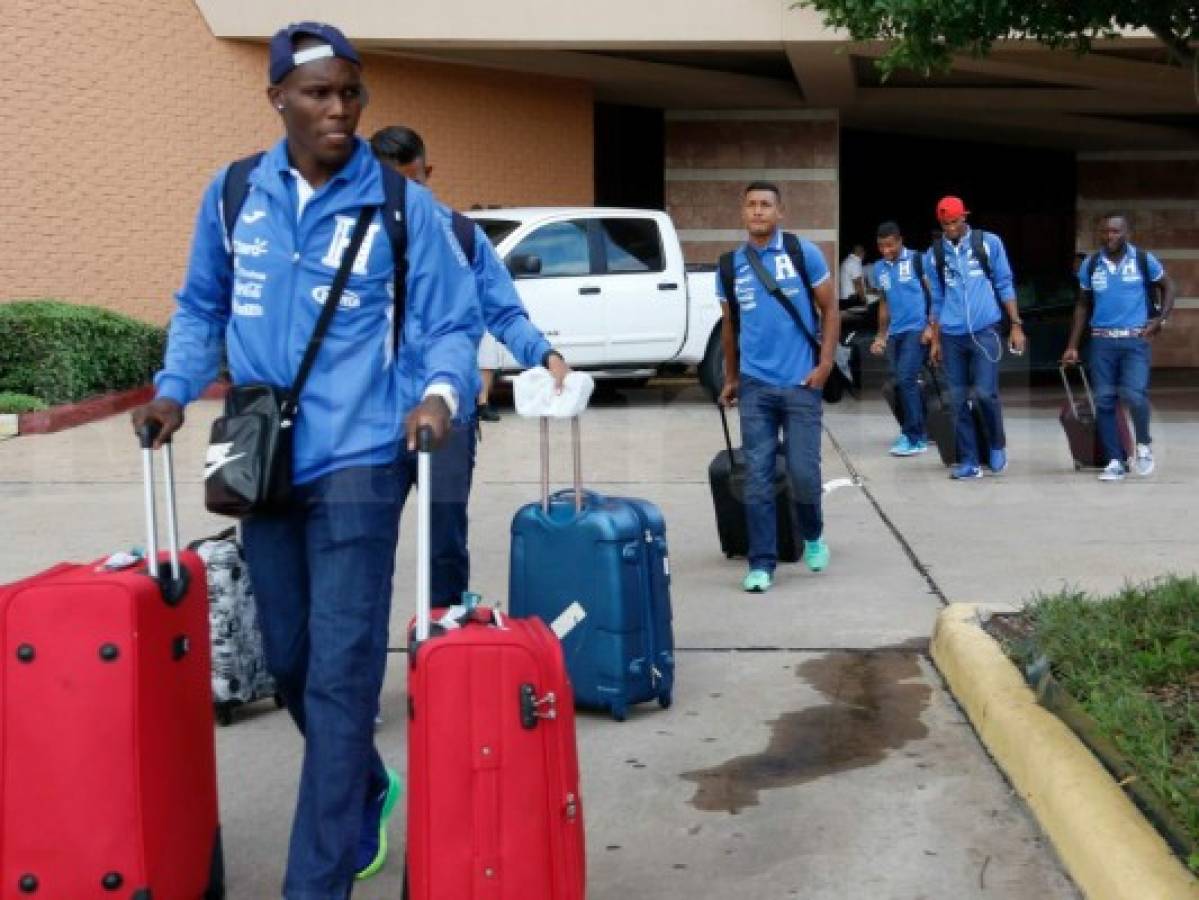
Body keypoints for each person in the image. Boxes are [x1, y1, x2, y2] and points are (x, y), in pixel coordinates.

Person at [131, 23, 482, 895]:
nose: (338, 109)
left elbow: (450, 323)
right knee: (286, 659)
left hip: (363, 458)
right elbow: (201, 303)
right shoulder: (233, 193)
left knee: (340, 676)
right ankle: (364, 783)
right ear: (278, 97)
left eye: (350, 93)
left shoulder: (403, 209)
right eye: (319, 92)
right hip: (257, 455)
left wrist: (439, 395)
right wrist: (175, 388)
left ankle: (315, 880)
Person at [370, 124, 571, 608]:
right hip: (371, 421)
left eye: (412, 181)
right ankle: (358, 669)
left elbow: (503, 311)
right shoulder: (351, 242)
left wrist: (543, 355)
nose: (403, 197)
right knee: (364, 549)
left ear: (428, 173)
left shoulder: (462, 236)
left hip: (448, 419)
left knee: (444, 545)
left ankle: (444, 650)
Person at [717, 181, 838, 594]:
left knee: (804, 473)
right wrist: (731, 378)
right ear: (743, 212)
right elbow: (730, 327)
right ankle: (762, 563)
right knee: (758, 477)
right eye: (750, 204)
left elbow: (830, 309)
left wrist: (824, 365)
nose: (757, 211)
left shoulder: (803, 253)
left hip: (802, 383)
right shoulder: (731, 265)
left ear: (780, 212)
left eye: (765, 205)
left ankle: (813, 534)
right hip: (755, 386)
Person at [1062, 213, 1175, 481]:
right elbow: (1082, 304)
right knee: (1104, 402)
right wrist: (1073, 345)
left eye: (1115, 232)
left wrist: (1160, 319)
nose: (1109, 236)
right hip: (1102, 341)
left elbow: (1168, 286)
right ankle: (1115, 460)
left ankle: (1144, 444)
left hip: (1135, 340)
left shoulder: (1143, 260)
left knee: (1135, 396)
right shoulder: (1091, 264)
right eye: (1104, 232)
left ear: (1127, 233)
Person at [925, 196, 1025, 480]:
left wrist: (1016, 325)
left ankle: (995, 444)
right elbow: (937, 298)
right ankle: (968, 460)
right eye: (945, 224)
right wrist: (935, 340)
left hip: (985, 330)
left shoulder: (989, 243)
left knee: (984, 394)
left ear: (965, 217)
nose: (951, 228)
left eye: (955, 222)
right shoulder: (934, 255)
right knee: (957, 400)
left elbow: (1005, 283)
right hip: (953, 335)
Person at [870, 221, 932, 456]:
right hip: (895, 332)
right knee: (899, 382)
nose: (886, 250)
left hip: (917, 329)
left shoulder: (918, 260)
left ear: (900, 240)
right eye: (881, 246)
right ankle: (920, 428)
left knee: (906, 378)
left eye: (890, 245)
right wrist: (880, 335)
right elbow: (884, 303)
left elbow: (934, 293)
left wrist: (931, 325)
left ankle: (914, 437)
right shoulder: (879, 269)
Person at [839, 242, 867, 309]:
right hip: (851, 299)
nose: (864, 255)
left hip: (845, 299)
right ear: (860, 252)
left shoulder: (848, 261)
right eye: (864, 252)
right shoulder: (854, 263)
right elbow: (857, 284)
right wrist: (863, 300)